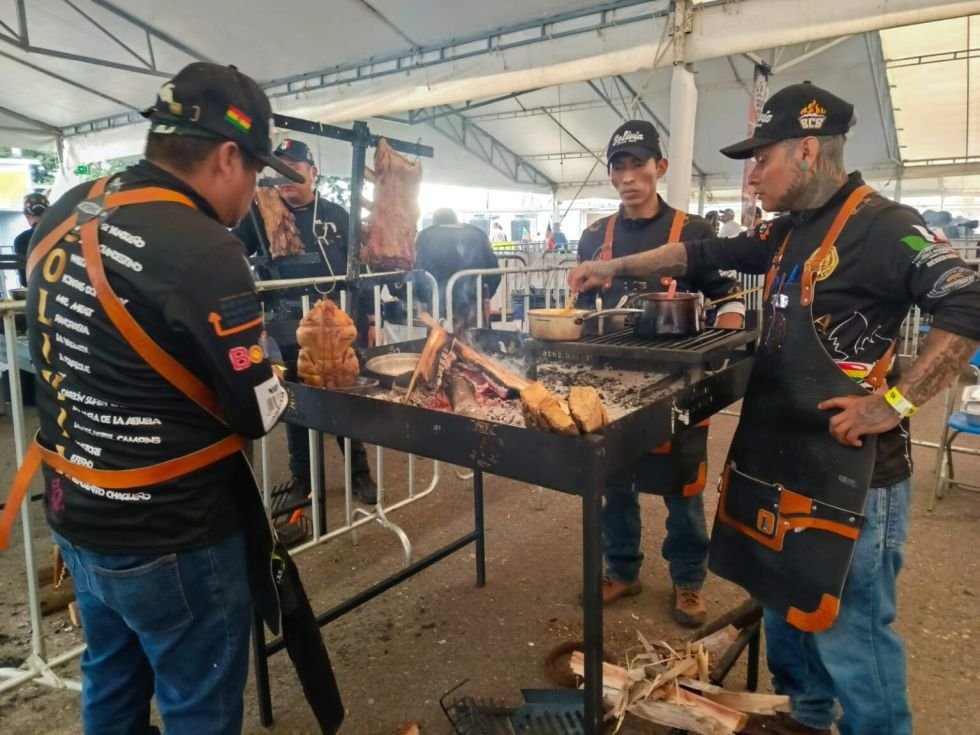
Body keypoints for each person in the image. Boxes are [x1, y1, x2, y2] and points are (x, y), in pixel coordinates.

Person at [569, 81, 980, 735]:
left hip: (854, 478)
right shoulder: (787, 231)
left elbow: (967, 300)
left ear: (807, 151)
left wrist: (894, 403)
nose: (753, 175)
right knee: (786, 610)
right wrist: (612, 268)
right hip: (786, 463)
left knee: (853, 639)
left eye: (762, 159)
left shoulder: (885, 225)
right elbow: (698, 253)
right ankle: (807, 719)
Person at [13, 63, 305, 734]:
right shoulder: (204, 247)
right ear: (227, 156)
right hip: (174, 534)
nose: (252, 192)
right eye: (255, 172)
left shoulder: (69, 207)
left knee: (111, 686)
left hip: (77, 513)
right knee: (197, 705)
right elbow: (254, 411)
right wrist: (279, 377)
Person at [575, 120, 744, 626]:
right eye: (619, 167)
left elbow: (730, 300)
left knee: (683, 490)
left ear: (660, 167)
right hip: (609, 385)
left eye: (639, 165)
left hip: (679, 387)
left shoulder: (693, 232)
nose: (628, 177)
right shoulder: (594, 237)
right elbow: (581, 308)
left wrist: (720, 353)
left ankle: (689, 581)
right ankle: (621, 571)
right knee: (615, 485)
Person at [235, 138, 377, 505]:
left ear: (313, 172)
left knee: (344, 400)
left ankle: (359, 472)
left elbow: (359, 269)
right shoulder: (259, 214)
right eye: (277, 170)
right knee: (294, 404)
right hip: (284, 328)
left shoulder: (336, 214)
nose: (283, 177)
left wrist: (369, 317)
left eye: (293, 168)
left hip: (336, 328)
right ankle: (303, 478)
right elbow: (233, 253)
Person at [410, 207, 501, 332]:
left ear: (435, 222)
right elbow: (494, 273)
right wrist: (484, 296)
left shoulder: (426, 236)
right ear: (456, 219)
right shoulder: (478, 234)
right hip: (473, 305)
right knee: (477, 339)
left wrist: (425, 298)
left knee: (439, 341)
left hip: (439, 305)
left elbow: (418, 272)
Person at [13, 193, 48, 286]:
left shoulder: (21, 240)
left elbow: (24, 280)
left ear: (26, 215)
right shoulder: (62, 234)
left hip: (34, 290)